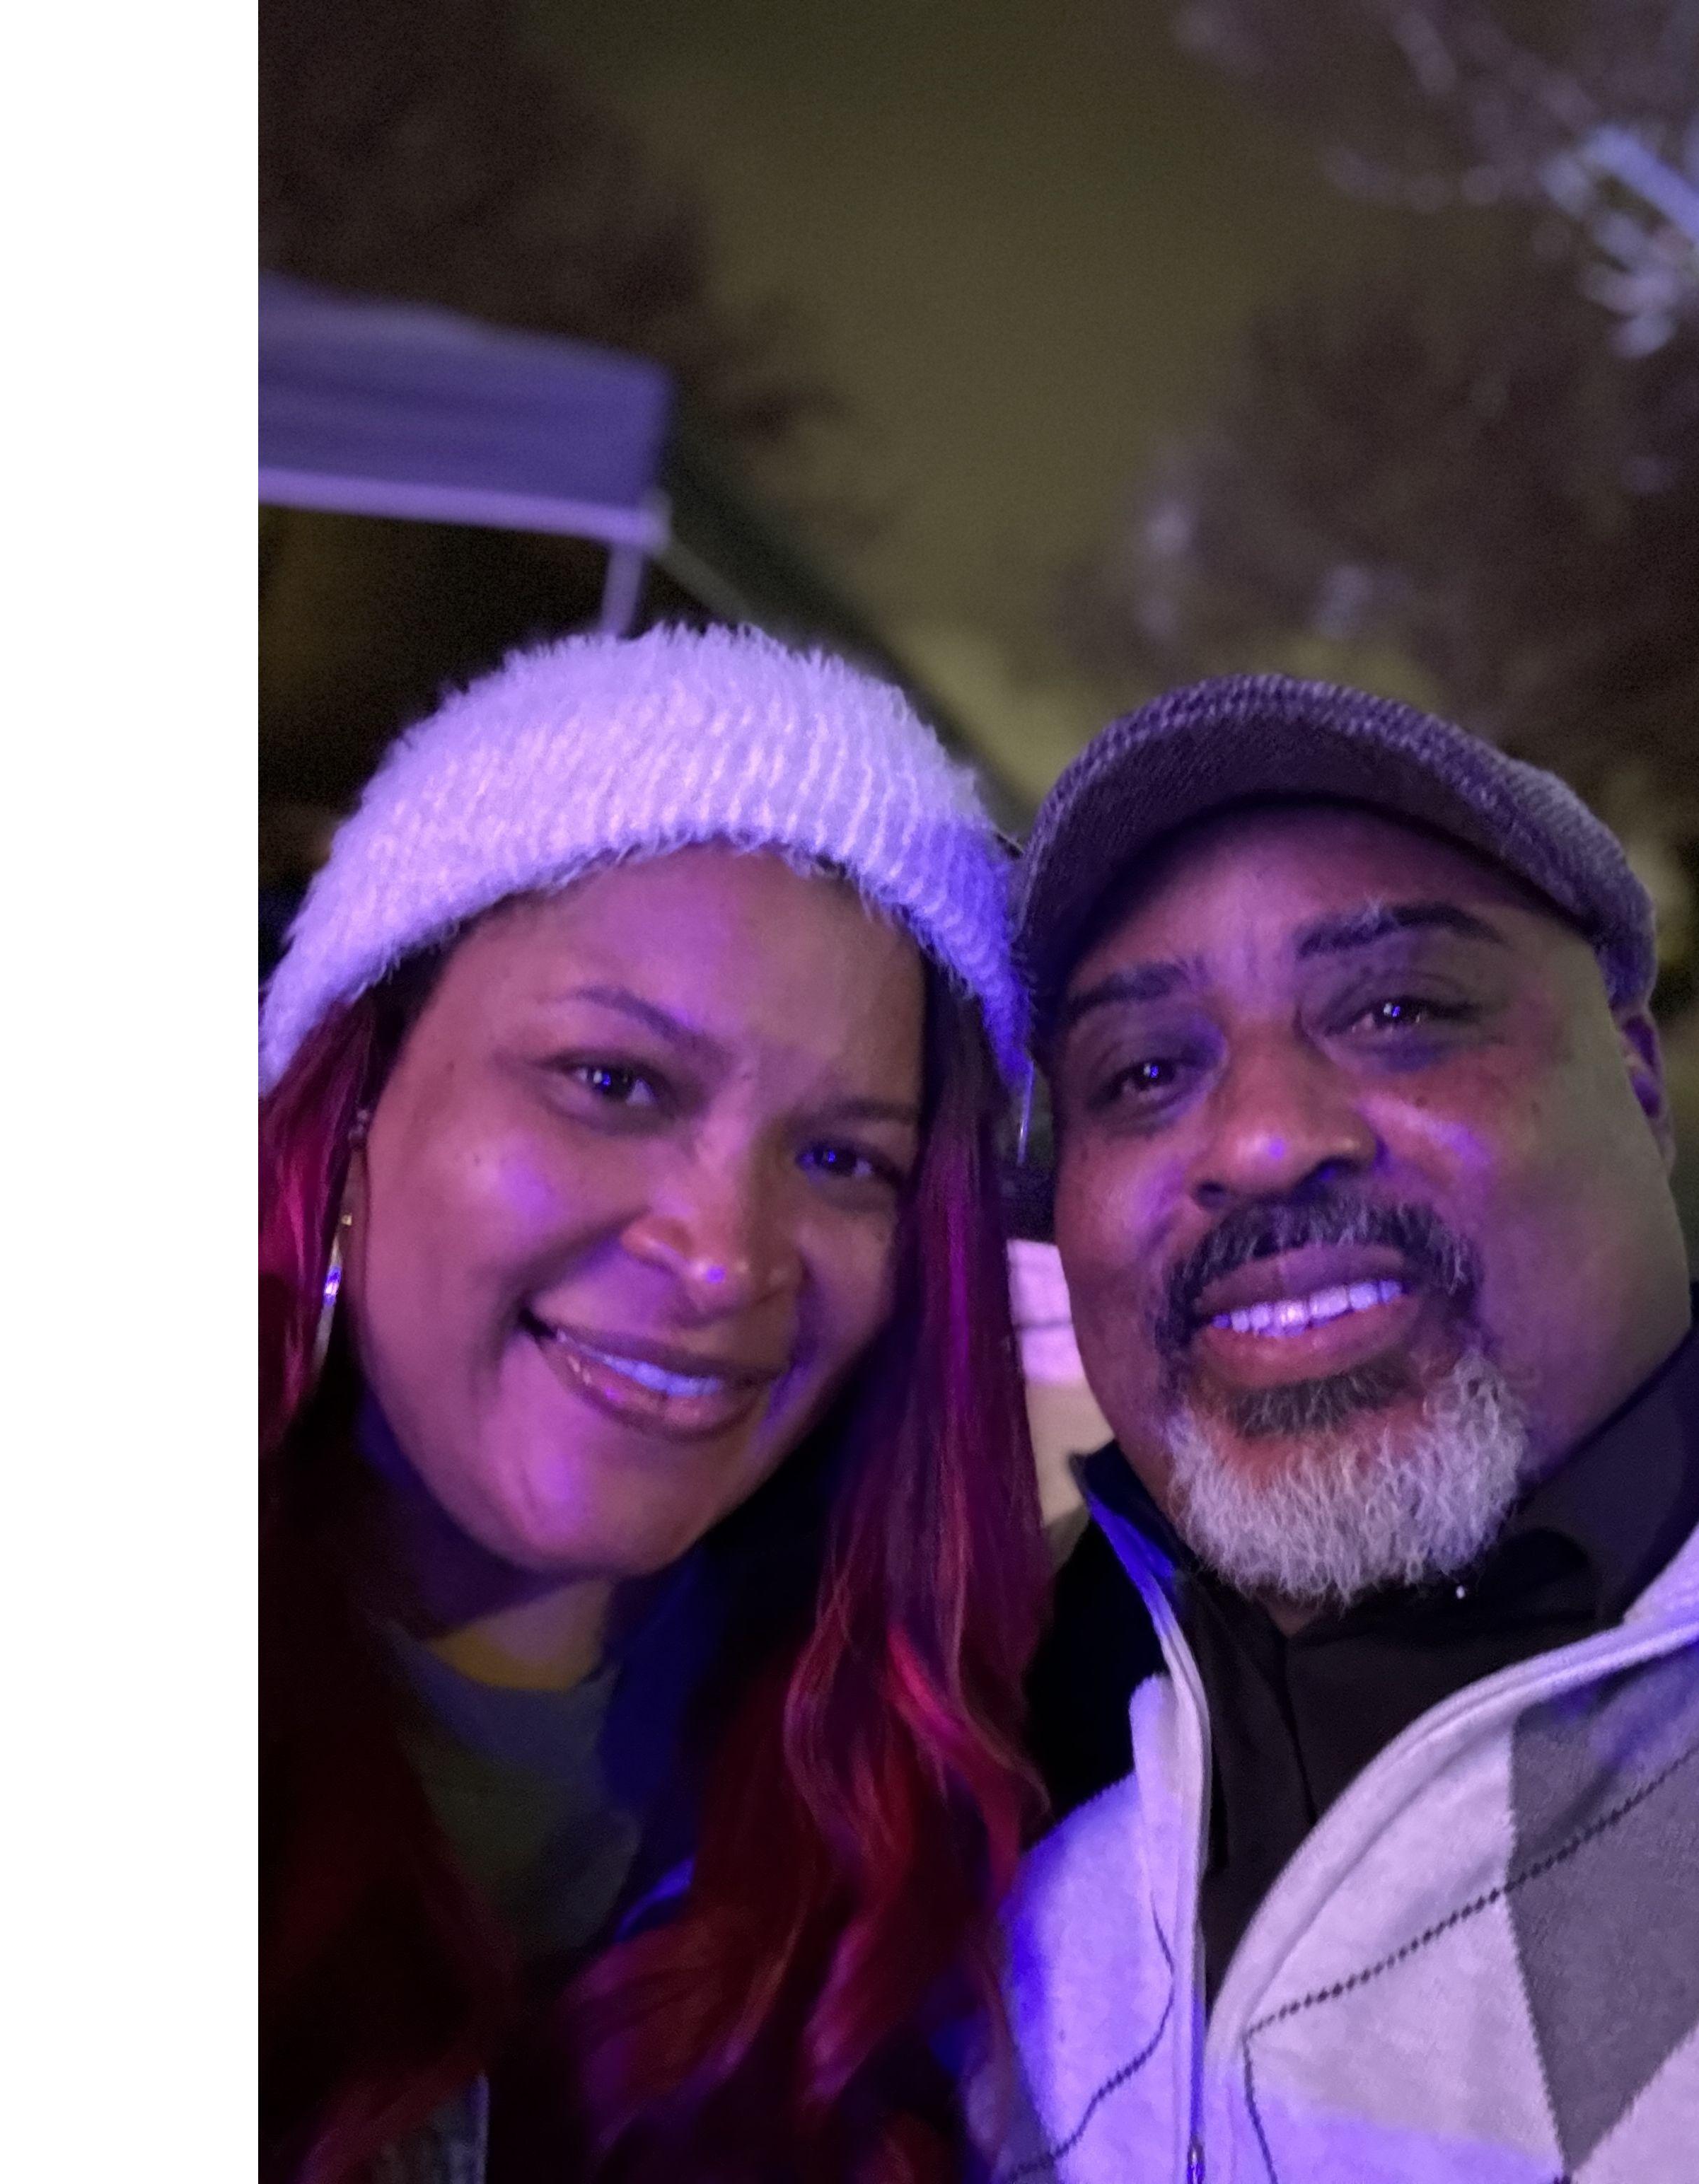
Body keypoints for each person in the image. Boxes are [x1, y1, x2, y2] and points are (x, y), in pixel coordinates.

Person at [978, 675, 1699, 2183]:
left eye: (1397, 1011)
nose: (1264, 1140)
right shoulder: (977, 1753)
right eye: (1141, 1072)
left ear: (1640, 1082)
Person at [259, 625, 1047, 2184]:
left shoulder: (932, 1792)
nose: (723, 1256)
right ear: (350, 1101)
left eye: (843, 1159)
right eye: (614, 1082)